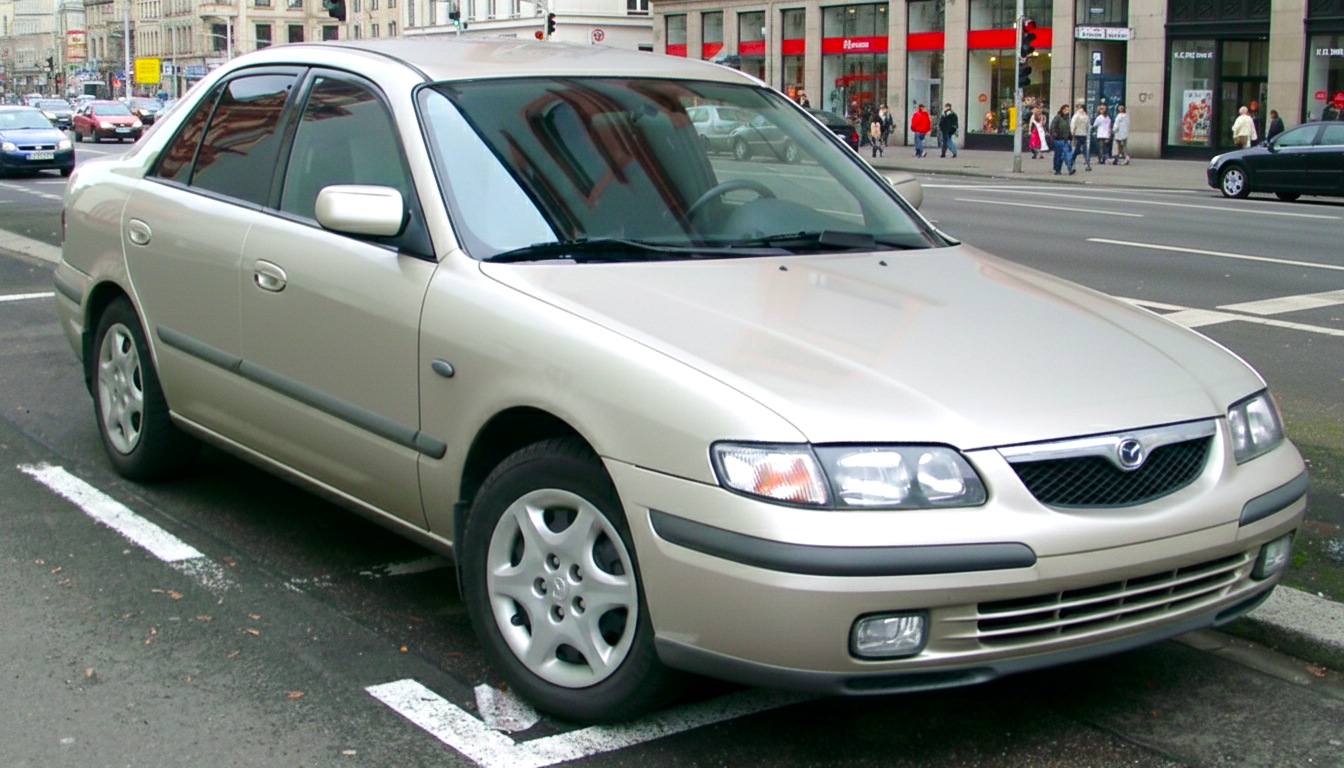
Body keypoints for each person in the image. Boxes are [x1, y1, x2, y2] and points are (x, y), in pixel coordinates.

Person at [1050, 104, 1076, 175]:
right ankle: (1057, 169)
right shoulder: (1057, 118)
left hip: (1066, 139)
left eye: (1067, 109)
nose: (1066, 111)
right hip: (1058, 139)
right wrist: (1055, 135)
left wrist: (1070, 136)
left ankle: (1070, 169)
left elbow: (1068, 128)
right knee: (1059, 155)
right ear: (1062, 109)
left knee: (1066, 155)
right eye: (1065, 109)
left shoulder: (1067, 119)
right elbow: (1053, 127)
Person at [1071, 101, 1091, 171]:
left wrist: (1072, 134)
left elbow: (1073, 125)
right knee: (1084, 150)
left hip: (1077, 134)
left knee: (1075, 150)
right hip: (1084, 134)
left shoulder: (1076, 115)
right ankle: (1088, 164)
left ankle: (1071, 163)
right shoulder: (1086, 115)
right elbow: (1088, 126)